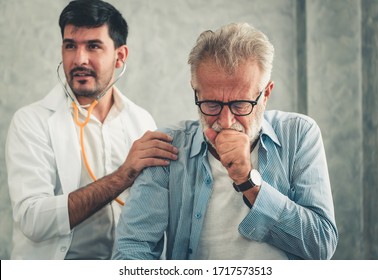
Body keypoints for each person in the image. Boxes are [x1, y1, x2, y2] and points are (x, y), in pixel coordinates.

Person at [112, 22, 338, 260]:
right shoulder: (168, 147)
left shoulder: (299, 135)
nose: (226, 121)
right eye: (212, 104)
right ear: (196, 92)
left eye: (241, 104)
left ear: (266, 95)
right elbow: (132, 250)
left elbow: (321, 246)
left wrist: (248, 181)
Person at [5, 0, 178, 260]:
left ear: (120, 56)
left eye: (93, 46)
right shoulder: (32, 121)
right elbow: (32, 220)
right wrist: (122, 176)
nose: (79, 59)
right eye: (70, 45)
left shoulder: (141, 122)